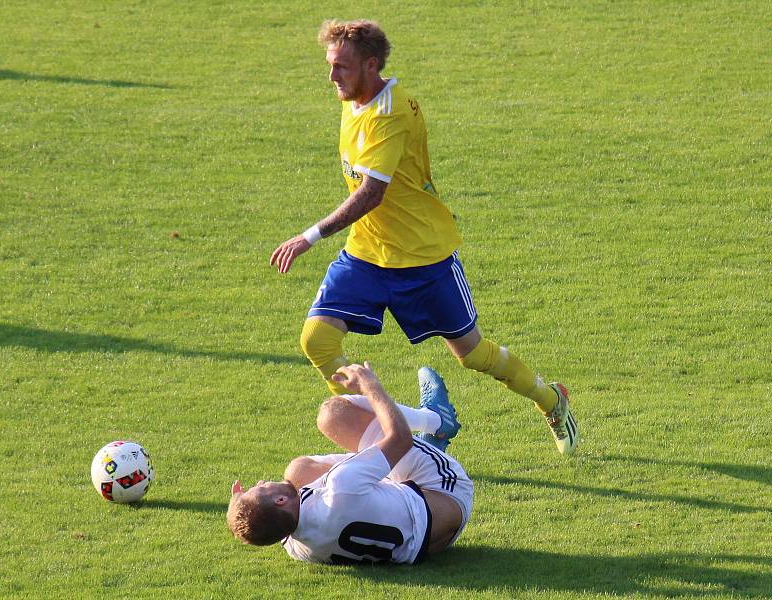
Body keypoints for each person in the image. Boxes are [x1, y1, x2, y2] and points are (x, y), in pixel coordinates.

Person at [269, 19, 578, 455]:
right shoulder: (355, 98)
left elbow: (372, 193)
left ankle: (552, 401)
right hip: (367, 254)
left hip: (422, 256)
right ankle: (393, 441)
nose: (331, 76)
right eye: (330, 65)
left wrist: (309, 236)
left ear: (371, 65)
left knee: (471, 354)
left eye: (341, 67)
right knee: (317, 341)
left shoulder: (392, 111)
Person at [226, 363, 473, 565]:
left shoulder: (298, 547)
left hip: (430, 543)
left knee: (298, 471)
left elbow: (260, 522)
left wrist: (241, 507)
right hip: (447, 494)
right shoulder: (341, 486)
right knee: (334, 415)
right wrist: (370, 386)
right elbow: (400, 439)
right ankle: (436, 419)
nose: (261, 482)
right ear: (280, 502)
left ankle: (416, 454)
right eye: (259, 488)